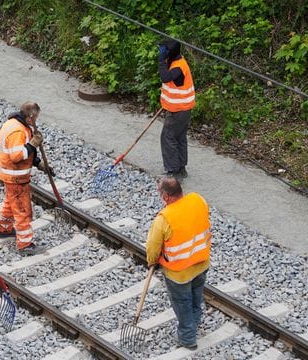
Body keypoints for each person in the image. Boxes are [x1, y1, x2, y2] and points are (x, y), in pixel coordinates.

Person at [146, 177, 211, 350]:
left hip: (179, 273)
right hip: (201, 263)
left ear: (166, 196)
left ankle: (188, 338)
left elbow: (153, 247)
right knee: (196, 297)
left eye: (160, 193)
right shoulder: (198, 200)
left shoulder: (163, 219)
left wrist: (152, 262)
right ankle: (195, 321)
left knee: (182, 303)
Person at [0, 101, 50, 255]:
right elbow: (17, 156)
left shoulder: (13, 124)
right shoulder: (18, 132)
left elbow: (24, 153)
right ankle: (25, 244)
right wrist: (33, 144)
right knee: (22, 210)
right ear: (30, 117)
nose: (36, 121)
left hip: (10, 176)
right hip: (16, 177)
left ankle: (4, 228)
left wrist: (38, 163)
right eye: (35, 118)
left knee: (10, 202)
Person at [158, 39, 196, 179]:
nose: (161, 52)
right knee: (179, 137)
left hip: (178, 110)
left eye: (163, 50)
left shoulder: (179, 67)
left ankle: (173, 170)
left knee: (168, 137)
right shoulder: (177, 61)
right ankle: (181, 168)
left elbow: (165, 77)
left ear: (170, 53)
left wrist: (161, 60)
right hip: (182, 108)